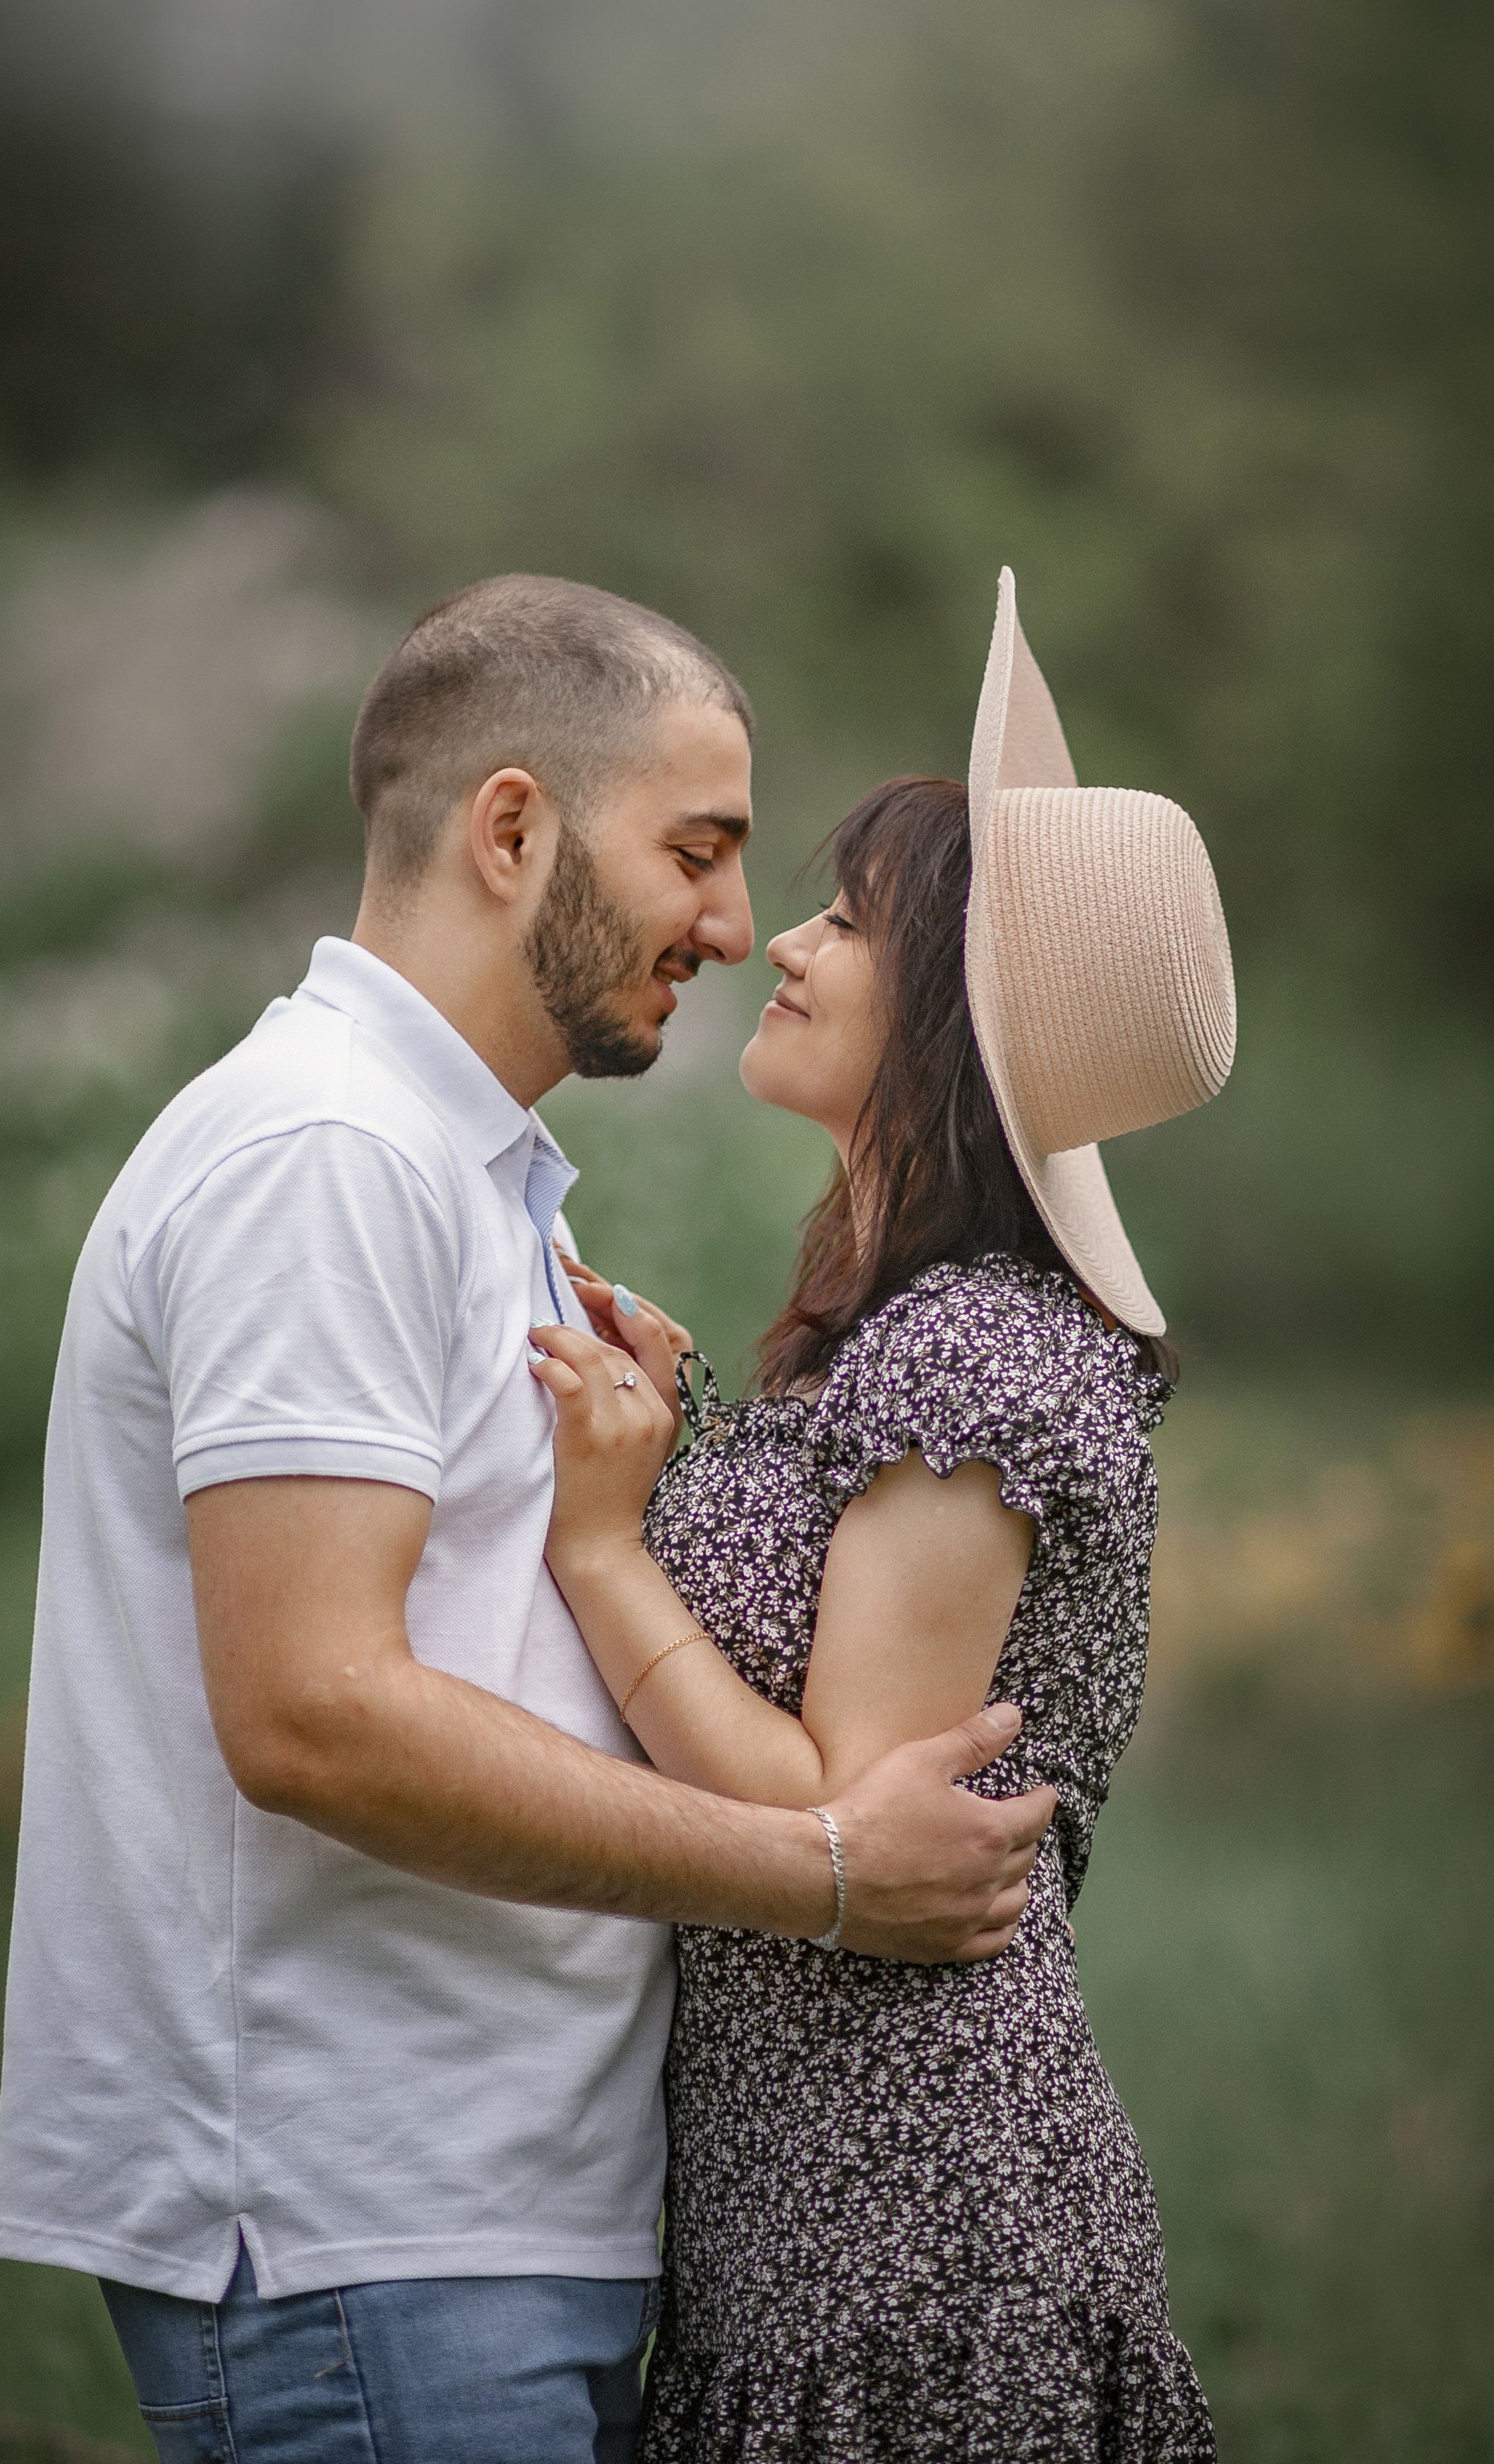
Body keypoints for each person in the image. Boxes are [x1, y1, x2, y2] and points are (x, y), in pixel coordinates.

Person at [0, 574, 1059, 2464]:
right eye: (700, 851)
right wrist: (825, 1877)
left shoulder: (468, 1182)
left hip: (472, 2225)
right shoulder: (326, 1159)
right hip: (360, 2227)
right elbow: (312, 1710)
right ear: (511, 829)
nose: (734, 927)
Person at [527, 570, 1235, 2461]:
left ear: (953, 1022)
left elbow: (847, 1814)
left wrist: (606, 1549)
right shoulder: (907, 1342)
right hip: (813, 2220)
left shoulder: (981, 1362)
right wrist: (676, 1448)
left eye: (847, 917)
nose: (786, 945)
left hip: (919, 2245)